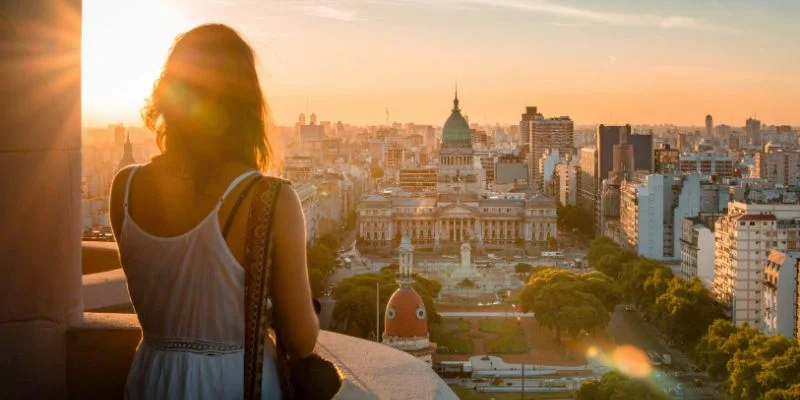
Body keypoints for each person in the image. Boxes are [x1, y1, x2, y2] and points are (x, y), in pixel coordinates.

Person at [109, 24, 319, 399]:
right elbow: (302, 340)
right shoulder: (270, 199)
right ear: (245, 107)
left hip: (153, 379)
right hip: (235, 382)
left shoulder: (124, 188)